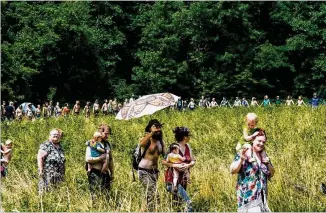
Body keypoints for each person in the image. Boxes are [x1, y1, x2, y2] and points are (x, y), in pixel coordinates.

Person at [230, 130, 275, 212]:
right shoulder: (245, 153)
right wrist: (241, 159)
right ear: (253, 140)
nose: (261, 144)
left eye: (263, 142)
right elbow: (232, 170)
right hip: (248, 198)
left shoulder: (263, 156)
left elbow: (271, 173)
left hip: (262, 198)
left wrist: (267, 163)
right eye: (259, 141)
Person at [163, 127, 195, 212]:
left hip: (183, 180)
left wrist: (188, 165)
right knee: (188, 203)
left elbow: (193, 161)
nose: (190, 137)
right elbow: (164, 162)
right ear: (185, 137)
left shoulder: (188, 146)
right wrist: (174, 165)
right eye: (189, 136)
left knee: (178, 204)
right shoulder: (173, 147)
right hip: (172, 180)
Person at [138, 119, 166, 211]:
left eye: (159, 127)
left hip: (155, 173)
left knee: (150, 194)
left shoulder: (161, 141)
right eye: (155, 127)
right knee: (152, 194)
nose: (158, 129)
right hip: (144, 171)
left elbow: (165, 156)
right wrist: (151, 133)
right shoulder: (147, 139)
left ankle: (144, 210)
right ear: (150, 128)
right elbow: (141, 144)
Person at [85, 124, 114, 199]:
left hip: (105, 174)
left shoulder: (107, 144)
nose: (107, 136)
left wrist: (112, 173)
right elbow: (87, 159)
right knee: (95, 195)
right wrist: (100, 158)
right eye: (106, 134)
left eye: (108, 134)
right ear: (100, 133)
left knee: (106, 195)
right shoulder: (92, 142)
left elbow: (110, 159)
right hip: (95, 173)